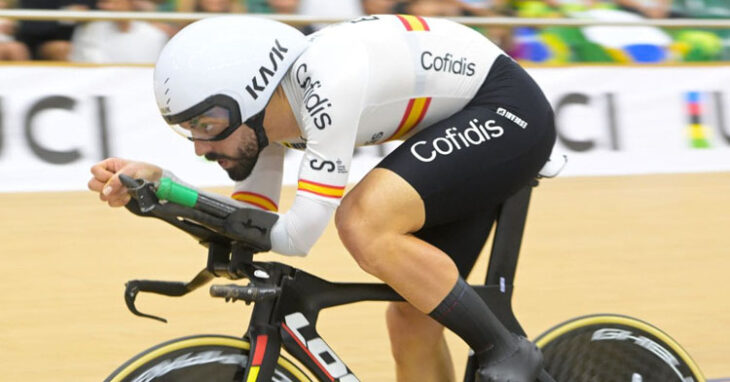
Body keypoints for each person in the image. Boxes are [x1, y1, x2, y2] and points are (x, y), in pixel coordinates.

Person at [88, 15, 555, 382]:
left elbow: (297, 235)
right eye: (188, 129)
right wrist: (157, 188)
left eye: (207, 125)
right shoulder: (265, 118)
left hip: (505, 111)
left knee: (362, 221)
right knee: (413, 320)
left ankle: (508, 352)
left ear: (251, 97)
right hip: (452, 126)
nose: (200, 147)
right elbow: (253, 222)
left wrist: (177, 190)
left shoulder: (326, 84)